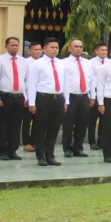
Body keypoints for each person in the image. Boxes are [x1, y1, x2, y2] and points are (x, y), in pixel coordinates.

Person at [26, 38, 66, 167]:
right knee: (40, 128)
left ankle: (50, 154)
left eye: (57, 47)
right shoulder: (37, 64)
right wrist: (32, 102)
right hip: (43, 98)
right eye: (52, 47)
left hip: (58, 98)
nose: (55, 50)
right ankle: (40, 155)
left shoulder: (61, 64)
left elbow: (66, 84)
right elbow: (31, 83)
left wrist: (66, 100)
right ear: (45, 48)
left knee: (54, 128)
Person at [59, 38, 95, 158]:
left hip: (84, 97)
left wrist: (92, 96)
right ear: (70, 48)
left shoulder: (88, 63)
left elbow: (91, 80)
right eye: (76, 46)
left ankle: (78, 148)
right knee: (68, 124)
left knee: (82, 124)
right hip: (70, 98)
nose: (78, 49)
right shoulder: (63, 63)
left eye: (80, 47)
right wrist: (65, 99)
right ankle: (67, 148)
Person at [0, 36, 27, 161]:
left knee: (16, 124)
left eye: (16, 45)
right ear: (6, 46)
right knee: (3, 125)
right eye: (12, 45)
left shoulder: (23, 61)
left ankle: (13, 150)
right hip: (5, 96)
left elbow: (26, 80)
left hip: (19, 97)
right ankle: (2, 151)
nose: (14, 47)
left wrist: (26, 97)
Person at [21, 40, 43, 155]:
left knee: (38, 120)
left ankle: (35, 141)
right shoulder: (25, 63)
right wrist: (26, 97)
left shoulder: (45, 62)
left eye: (40, 49)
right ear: (29, 51)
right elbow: (23, 81)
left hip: (41, 96)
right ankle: (26, 143)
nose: (38, 52)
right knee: (27, 120)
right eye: (36, 49)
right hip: (28, 96)